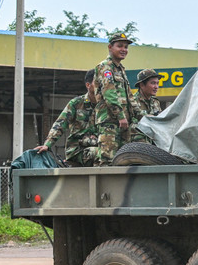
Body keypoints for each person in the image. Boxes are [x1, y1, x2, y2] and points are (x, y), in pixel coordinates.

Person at [93, 32, 144, 166]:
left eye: (126, 47)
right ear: (110, 47)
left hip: (124, 123)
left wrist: (141, 117)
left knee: (123, 160)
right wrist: (121, 116)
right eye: (120, 46)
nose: (124, 50)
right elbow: (109, 94)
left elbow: (129, 96)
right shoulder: (105, 67)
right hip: (110, 121)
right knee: (108, 160)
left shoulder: (120, 69)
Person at [33, 69, 99, 167]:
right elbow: (60, 124)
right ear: (88, 85)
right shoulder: (76, 104)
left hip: (99, 146)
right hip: (78, 149)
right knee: (101, 154)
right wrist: (47, 144)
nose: (101, 86)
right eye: (97, 82)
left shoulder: (106, 105)